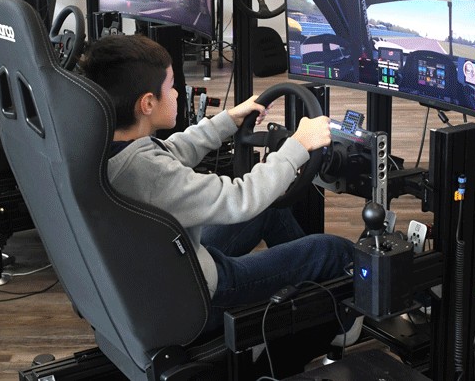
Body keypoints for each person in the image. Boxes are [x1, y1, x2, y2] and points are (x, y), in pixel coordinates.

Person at [82, 34, 356, 337]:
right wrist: (298, 146)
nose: (176, 93)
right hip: (195, 295)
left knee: (271, 212)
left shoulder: (106, 145)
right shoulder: (149, 174)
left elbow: (169, 151)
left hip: (168, 268)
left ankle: (303, 298)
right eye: (171, 86)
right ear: (147, 103)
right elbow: (240, 199)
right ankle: (328, 322)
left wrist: (227, 120)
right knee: (331, 251)